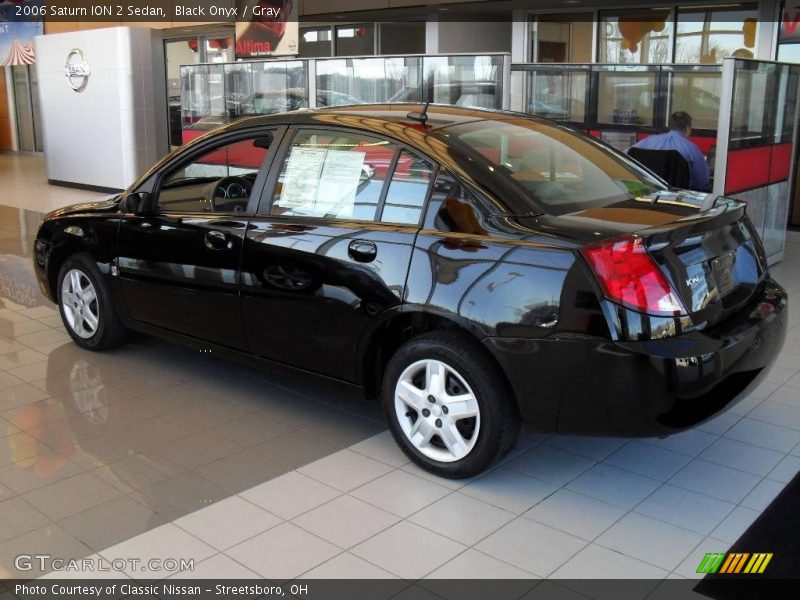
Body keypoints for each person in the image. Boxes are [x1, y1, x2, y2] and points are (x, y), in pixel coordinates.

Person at [629, 111, 711, 191]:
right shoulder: (691, 148)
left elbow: (627, 156)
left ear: (670, 126)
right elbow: (701, 183)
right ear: (688, 129)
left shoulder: (649, 141)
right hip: (677, 196)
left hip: (646, 193)